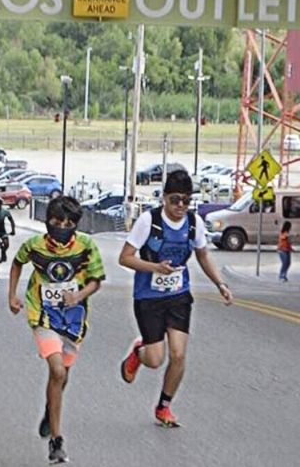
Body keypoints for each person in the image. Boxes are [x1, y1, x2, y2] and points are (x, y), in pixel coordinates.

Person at [118, 170, 233, 428]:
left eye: (186, 200)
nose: (180, 206)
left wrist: (220, 284)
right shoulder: (149, 221)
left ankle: (164, 406)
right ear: (165, 199)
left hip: (179, 296)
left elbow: (203, 255)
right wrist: (154, 268)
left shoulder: (194, 223)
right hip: (148, 297)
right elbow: (124, 258)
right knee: (156, 359)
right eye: (175, 200)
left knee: (179, 355)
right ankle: (139, 351)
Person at [7, 196, 105, 464]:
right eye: (57, 221)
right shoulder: (34, 245)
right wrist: (12, 296)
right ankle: (57, 441)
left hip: (73, 320)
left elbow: (97, 280)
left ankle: (51, 410)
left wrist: (79, 295)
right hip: (43, 315)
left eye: (68, 223)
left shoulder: (86, 246)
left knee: (63, 376)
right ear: (47, 221)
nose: (62, 226)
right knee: (57, 370)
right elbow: (17, 262)